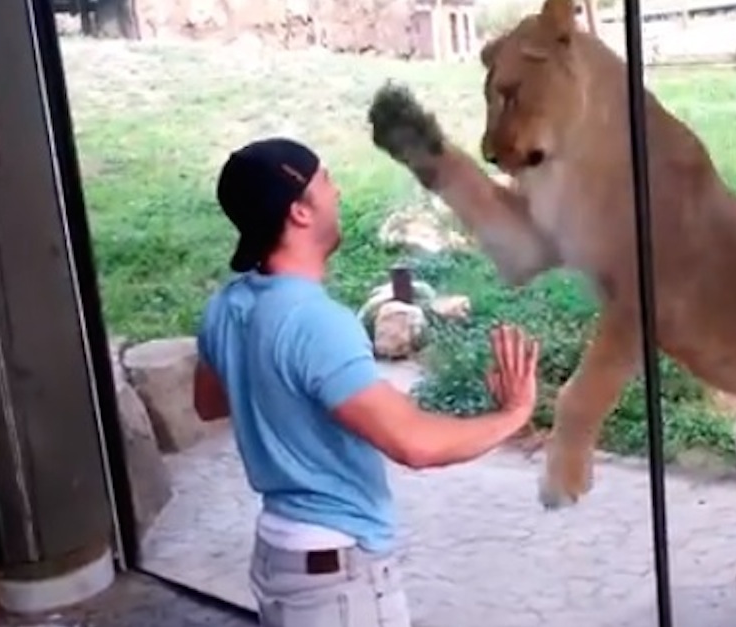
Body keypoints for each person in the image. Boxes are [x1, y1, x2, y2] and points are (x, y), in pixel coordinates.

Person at [190, 136, 541, 627]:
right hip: (334, 575)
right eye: (326, 181)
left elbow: (208, 402)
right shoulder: (316, 323)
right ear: (300, 213)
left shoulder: (228, 306)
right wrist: (513, 414)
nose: (336, 193)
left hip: (277, 556)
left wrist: (276, 382)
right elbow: (415, 444)